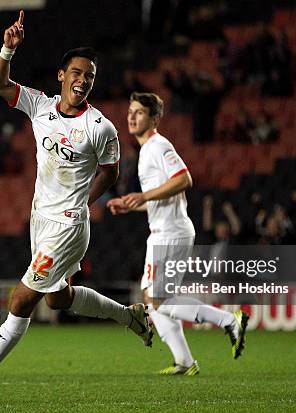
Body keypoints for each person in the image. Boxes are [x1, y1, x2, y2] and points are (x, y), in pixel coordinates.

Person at [0, 11, 152, 400]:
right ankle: (130, 316)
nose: (83, 80)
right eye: (77, 72)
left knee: (20, 298)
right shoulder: (41, 106)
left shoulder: (101, 128)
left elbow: (111, 171)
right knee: (57, 299)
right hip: (41, 219)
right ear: (61, 75)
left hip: (68, 227)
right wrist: (8, 48)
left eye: (89, 76)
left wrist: (84, 201)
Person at [107, 92, 248, 376]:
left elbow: (184, 179)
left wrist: (142, 195)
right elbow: (161, 197)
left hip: (170, 233)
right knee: (155, 300)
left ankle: (229, 321)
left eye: (140, 112)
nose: (132, 117)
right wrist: (131, 205)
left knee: (156, 300)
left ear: (155, 118)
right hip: (163, 231)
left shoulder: (159, 146)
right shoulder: (146, 151)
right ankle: (184, 360)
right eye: (131, 111)